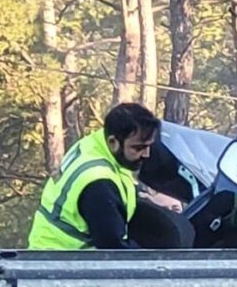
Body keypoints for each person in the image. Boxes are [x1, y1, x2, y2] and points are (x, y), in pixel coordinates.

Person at [28, 103, 160, 250]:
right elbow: (114, 249)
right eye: (139, 148)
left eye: (149, 146)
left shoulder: (94, 144)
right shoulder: (98, 184)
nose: (146, 154)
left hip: (48, 252)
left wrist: (151, 197)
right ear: (113, 142)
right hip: (66, 258)